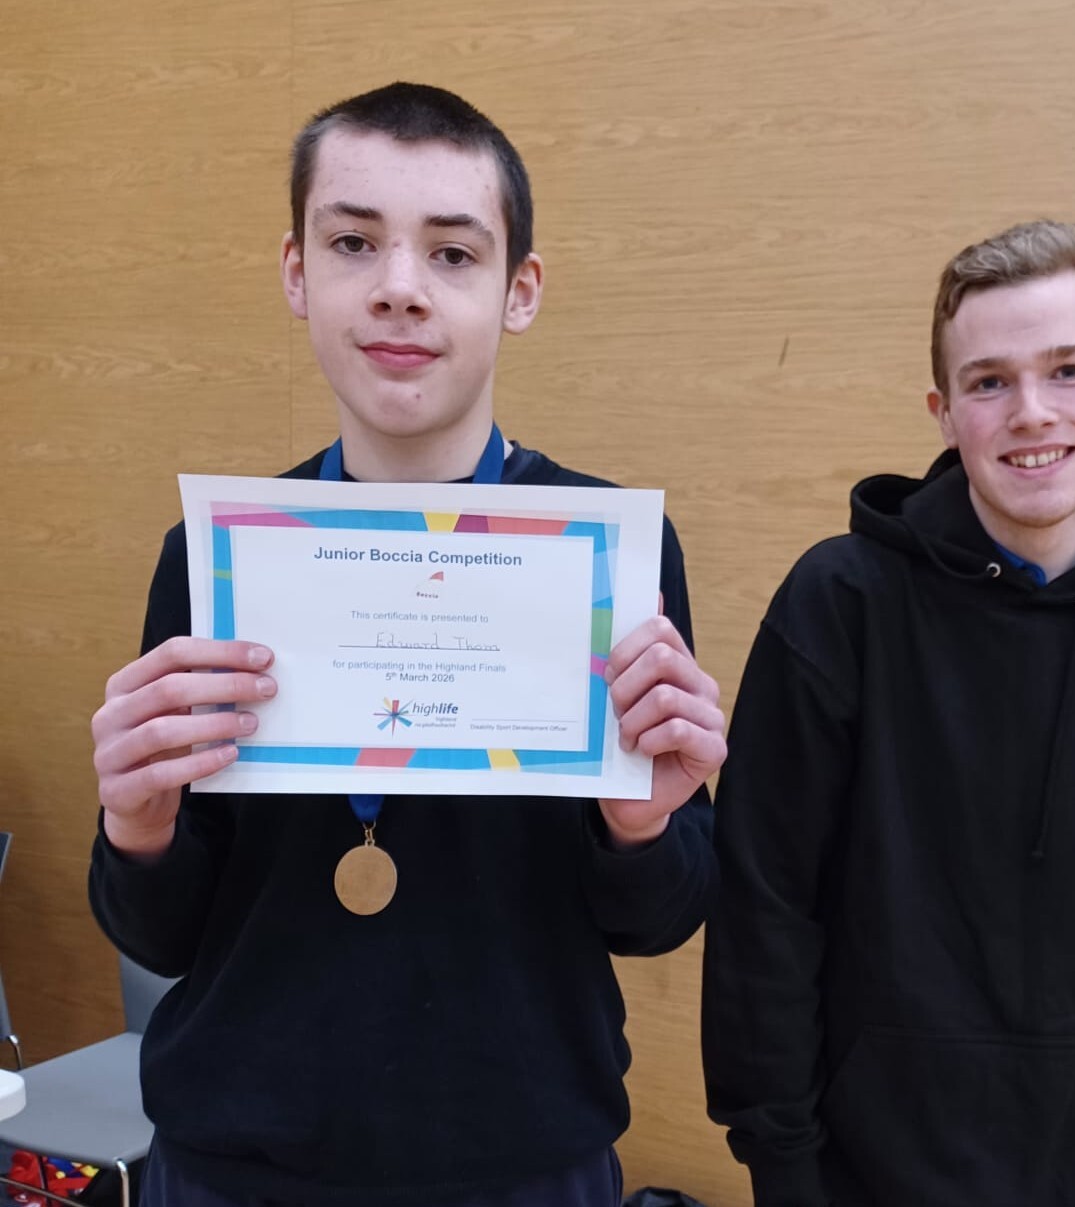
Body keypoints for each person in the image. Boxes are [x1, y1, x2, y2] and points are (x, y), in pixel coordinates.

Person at [88, 82, 725, 1206]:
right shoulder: (217, 558)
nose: (399, 287)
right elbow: (164, 935)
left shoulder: (612, 556)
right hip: (239, 1162)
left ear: (519, 290)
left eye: (452, 253)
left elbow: (657, 918)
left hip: (522, 1159)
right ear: (298, 273)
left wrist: (642, 828)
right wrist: (136, 832)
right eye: (353, 243)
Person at [702, 220, 1075, 1207]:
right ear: (943, 412)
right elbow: (765, 904)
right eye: (989, 382)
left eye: (1068, 371)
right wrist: (785, 1166)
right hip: (859, 1177)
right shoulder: (841, 603)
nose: (1031, 413)